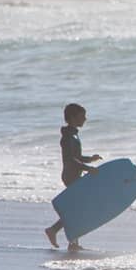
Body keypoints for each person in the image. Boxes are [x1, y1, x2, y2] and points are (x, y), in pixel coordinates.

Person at [44, 103, 102, 250]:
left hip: (73, 173)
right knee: (79, 208)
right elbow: (71, 160)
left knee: (78, 208)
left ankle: (69, 239)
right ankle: (60, 234)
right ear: (72, 117)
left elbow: (76, 157)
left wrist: (89, 159)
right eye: (82, 116)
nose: (85, 119)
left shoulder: (73, 134)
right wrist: (87, 168)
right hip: (70, 175)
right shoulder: (68, 136)